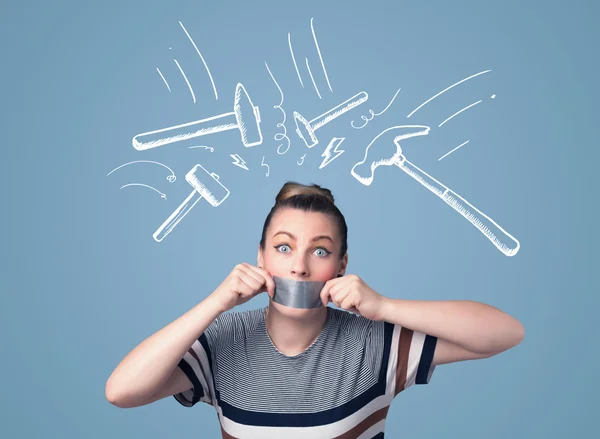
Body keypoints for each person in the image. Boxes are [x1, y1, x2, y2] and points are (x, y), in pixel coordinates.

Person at [105, 181, 524, 438]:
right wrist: (216, 303)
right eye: (283, 247)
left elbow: (506, 333)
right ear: (261, 257)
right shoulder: (223, 341)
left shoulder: (374, 341)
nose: (299, 265)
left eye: (319, 251)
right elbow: (121, 392)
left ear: (341, 266)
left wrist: (384, 305)